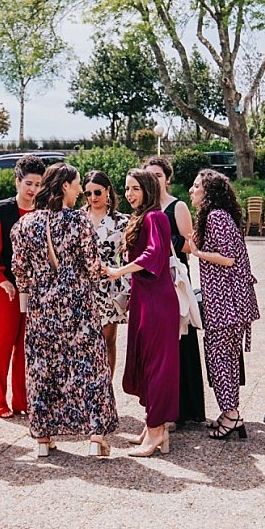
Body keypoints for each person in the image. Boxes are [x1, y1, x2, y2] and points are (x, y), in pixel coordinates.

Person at [11, 164, 119, 457]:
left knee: (43, 370)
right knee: (91, 368)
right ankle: (97, 436)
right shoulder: (80, 222)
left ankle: (44, 439)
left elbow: (19, 272)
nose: (81, 190)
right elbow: (92, 266)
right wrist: (108, 272)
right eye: (76, 185)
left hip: (42, 307)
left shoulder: (24, 225)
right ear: (63, 187)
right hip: (78, 306)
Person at [105, 169, 180, 457]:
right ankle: (153, 427)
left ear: (148, 189)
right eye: (126, 188)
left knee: (158, 366)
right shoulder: (141, 218)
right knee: (147, 362)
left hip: (157, 301)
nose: (129, 194)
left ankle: (158, 431)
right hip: (143, 297)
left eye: (135, 188)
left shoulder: (155, 217)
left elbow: (154, 255)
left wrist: (118, 272)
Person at [188, 169, 260, 440]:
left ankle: (231, 415)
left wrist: (197, 253)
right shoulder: (219, 217)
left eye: (197, 186)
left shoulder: (216, 217)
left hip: (227, 302)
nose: (192, 191)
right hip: (231, 301)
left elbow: (227, 258)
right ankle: (230, 412)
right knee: (226, 358)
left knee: (220, 358)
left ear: (209, 192)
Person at [0, 154, 45, 419]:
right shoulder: (3, 209)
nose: (33, 189)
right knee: (4, 343)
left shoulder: (42, 211)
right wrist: (2, 279)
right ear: (17, 181)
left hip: (34, 290)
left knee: (26, 346)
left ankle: (22, 400)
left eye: (38, 184)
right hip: (7, 288)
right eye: (29, 183)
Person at [144, 156, 206, 427]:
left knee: (180, 342)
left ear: (167, 179)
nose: (154, 180)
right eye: (149, 175)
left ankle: (184, 407)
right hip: (149, 281)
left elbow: (190, 246)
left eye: (158, 175)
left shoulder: (177, 206)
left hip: (174, 279)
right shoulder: (142, 206)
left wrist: (163, 239)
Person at [83, 169, 129, 376]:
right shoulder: (77, 219)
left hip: (110, 286)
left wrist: (127, 289)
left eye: (97, 192)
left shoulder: (121, 222)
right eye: (88, 193)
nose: (93, 198)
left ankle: (106, 392)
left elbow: (129, 259)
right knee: (85, 342)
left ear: (107, 190)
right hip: (83, 287)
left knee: (108, 341)